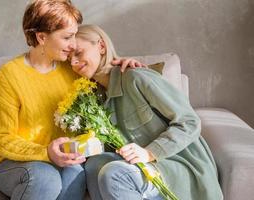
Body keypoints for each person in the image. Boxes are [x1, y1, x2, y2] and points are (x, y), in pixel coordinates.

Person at [0, 1, 142, 200]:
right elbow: (1, 139)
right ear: (42, 37)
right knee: (46, 178)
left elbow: (105, 87)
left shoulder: (72, 69)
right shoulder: (9, 75)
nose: (73, 44)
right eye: (67, 37)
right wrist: (46, 152)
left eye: (75, 35)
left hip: (63, 159)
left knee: (76, 174)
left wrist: (123, 68)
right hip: (11, 163)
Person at [69, 24, 224, 200]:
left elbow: (189, 122)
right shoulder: (94, 99)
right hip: (141, 169)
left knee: (115, 174)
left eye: (79, 53)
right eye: (69, 58)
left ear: (101, 46)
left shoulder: (136, 77)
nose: (73, 63)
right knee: (95, 165)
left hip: (179, 165)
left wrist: (150, 152)